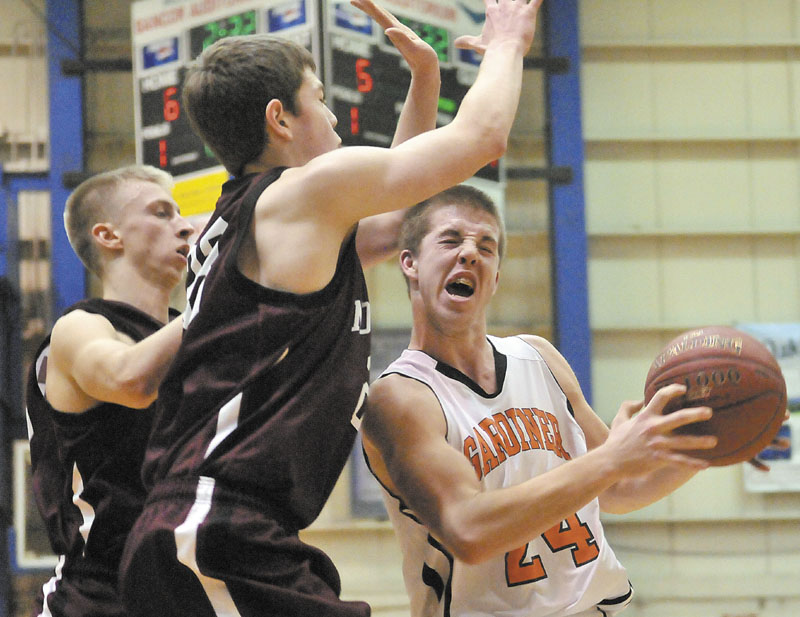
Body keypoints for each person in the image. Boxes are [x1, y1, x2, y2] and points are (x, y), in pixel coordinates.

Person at [118, 0, 544, 615]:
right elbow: (481, 139)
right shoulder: (302, 195)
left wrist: (423, 82)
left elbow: (394, 219)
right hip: (215, 526)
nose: (335, 114)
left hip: (218, 525)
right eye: (320, 98)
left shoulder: (260, 214)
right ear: (280, 119)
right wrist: (507, 42)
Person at [360, 185, 719, 617]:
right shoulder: (400, 396)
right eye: (451, 240)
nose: (470, 253)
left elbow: (620, 489)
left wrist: (715, 442)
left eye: (486, 247)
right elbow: (469, 530)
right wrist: (611, 459)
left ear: (495, 277)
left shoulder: (539, 357)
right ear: (410, 263)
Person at [24, 164, 195, 617]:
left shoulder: (195, 331)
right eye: (161, 213)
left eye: (180, 213)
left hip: (186, 585)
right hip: (98, 595)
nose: (184, 225)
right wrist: (219, 297)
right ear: (108, 235)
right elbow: (130, 379)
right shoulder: (79, 328)